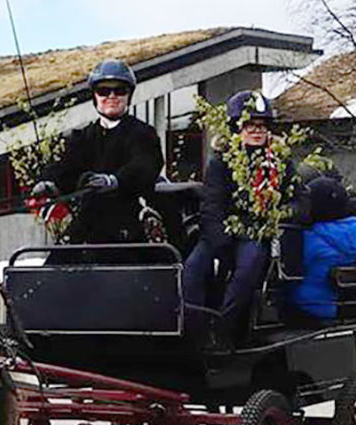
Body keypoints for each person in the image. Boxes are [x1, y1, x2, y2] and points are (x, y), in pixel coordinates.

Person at [183, 90, 293, 352]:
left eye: (261, 125)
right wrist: (221, 243)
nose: (256, 131)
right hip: (221, 231)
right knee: (191, 270)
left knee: (247, 269)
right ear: (237, 128)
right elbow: (212, 204)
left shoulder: (280, 162)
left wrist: (280, 214)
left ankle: (224, 329)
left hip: (256, 232)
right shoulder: (222, 162)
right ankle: (193, 329)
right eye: (249, 125)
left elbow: (300, 199)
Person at [30, 59, 164, 244]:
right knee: (53, 266)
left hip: (130, 226)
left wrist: (115, 181)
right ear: (94, 96)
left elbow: (145, 165)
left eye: (119, 90)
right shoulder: (82, 137)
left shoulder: (143, 134)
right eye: (103, 91)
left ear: (129, 95)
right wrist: (47, 183)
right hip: (87, 225)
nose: (112, 96)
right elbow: (65, 167)